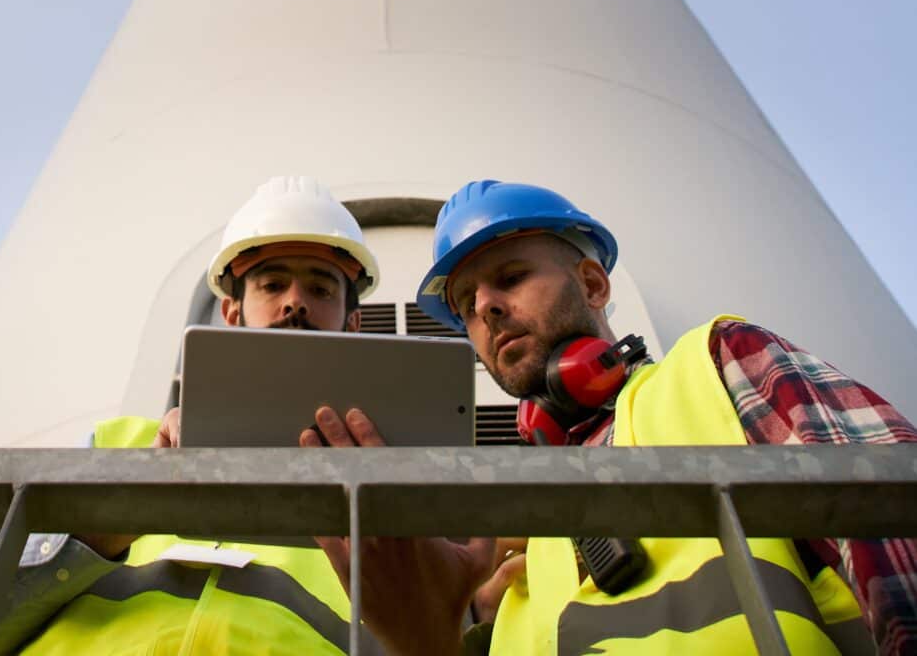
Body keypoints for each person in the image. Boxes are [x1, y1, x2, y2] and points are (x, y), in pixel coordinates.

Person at [310, 179, 917, 656]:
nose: (488, 308)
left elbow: (894, 519)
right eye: (468, 305)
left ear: (594, 284)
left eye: (511, 278)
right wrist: (429, 637)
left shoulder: (718, 363)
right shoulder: (519, 545)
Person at [0, 175, 382, 656]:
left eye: (321, 288)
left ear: (353, 323)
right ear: (232, 312)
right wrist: (109, 521)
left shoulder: (390, 477)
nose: (295, 302)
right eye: (272, 283)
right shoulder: (116, 442)